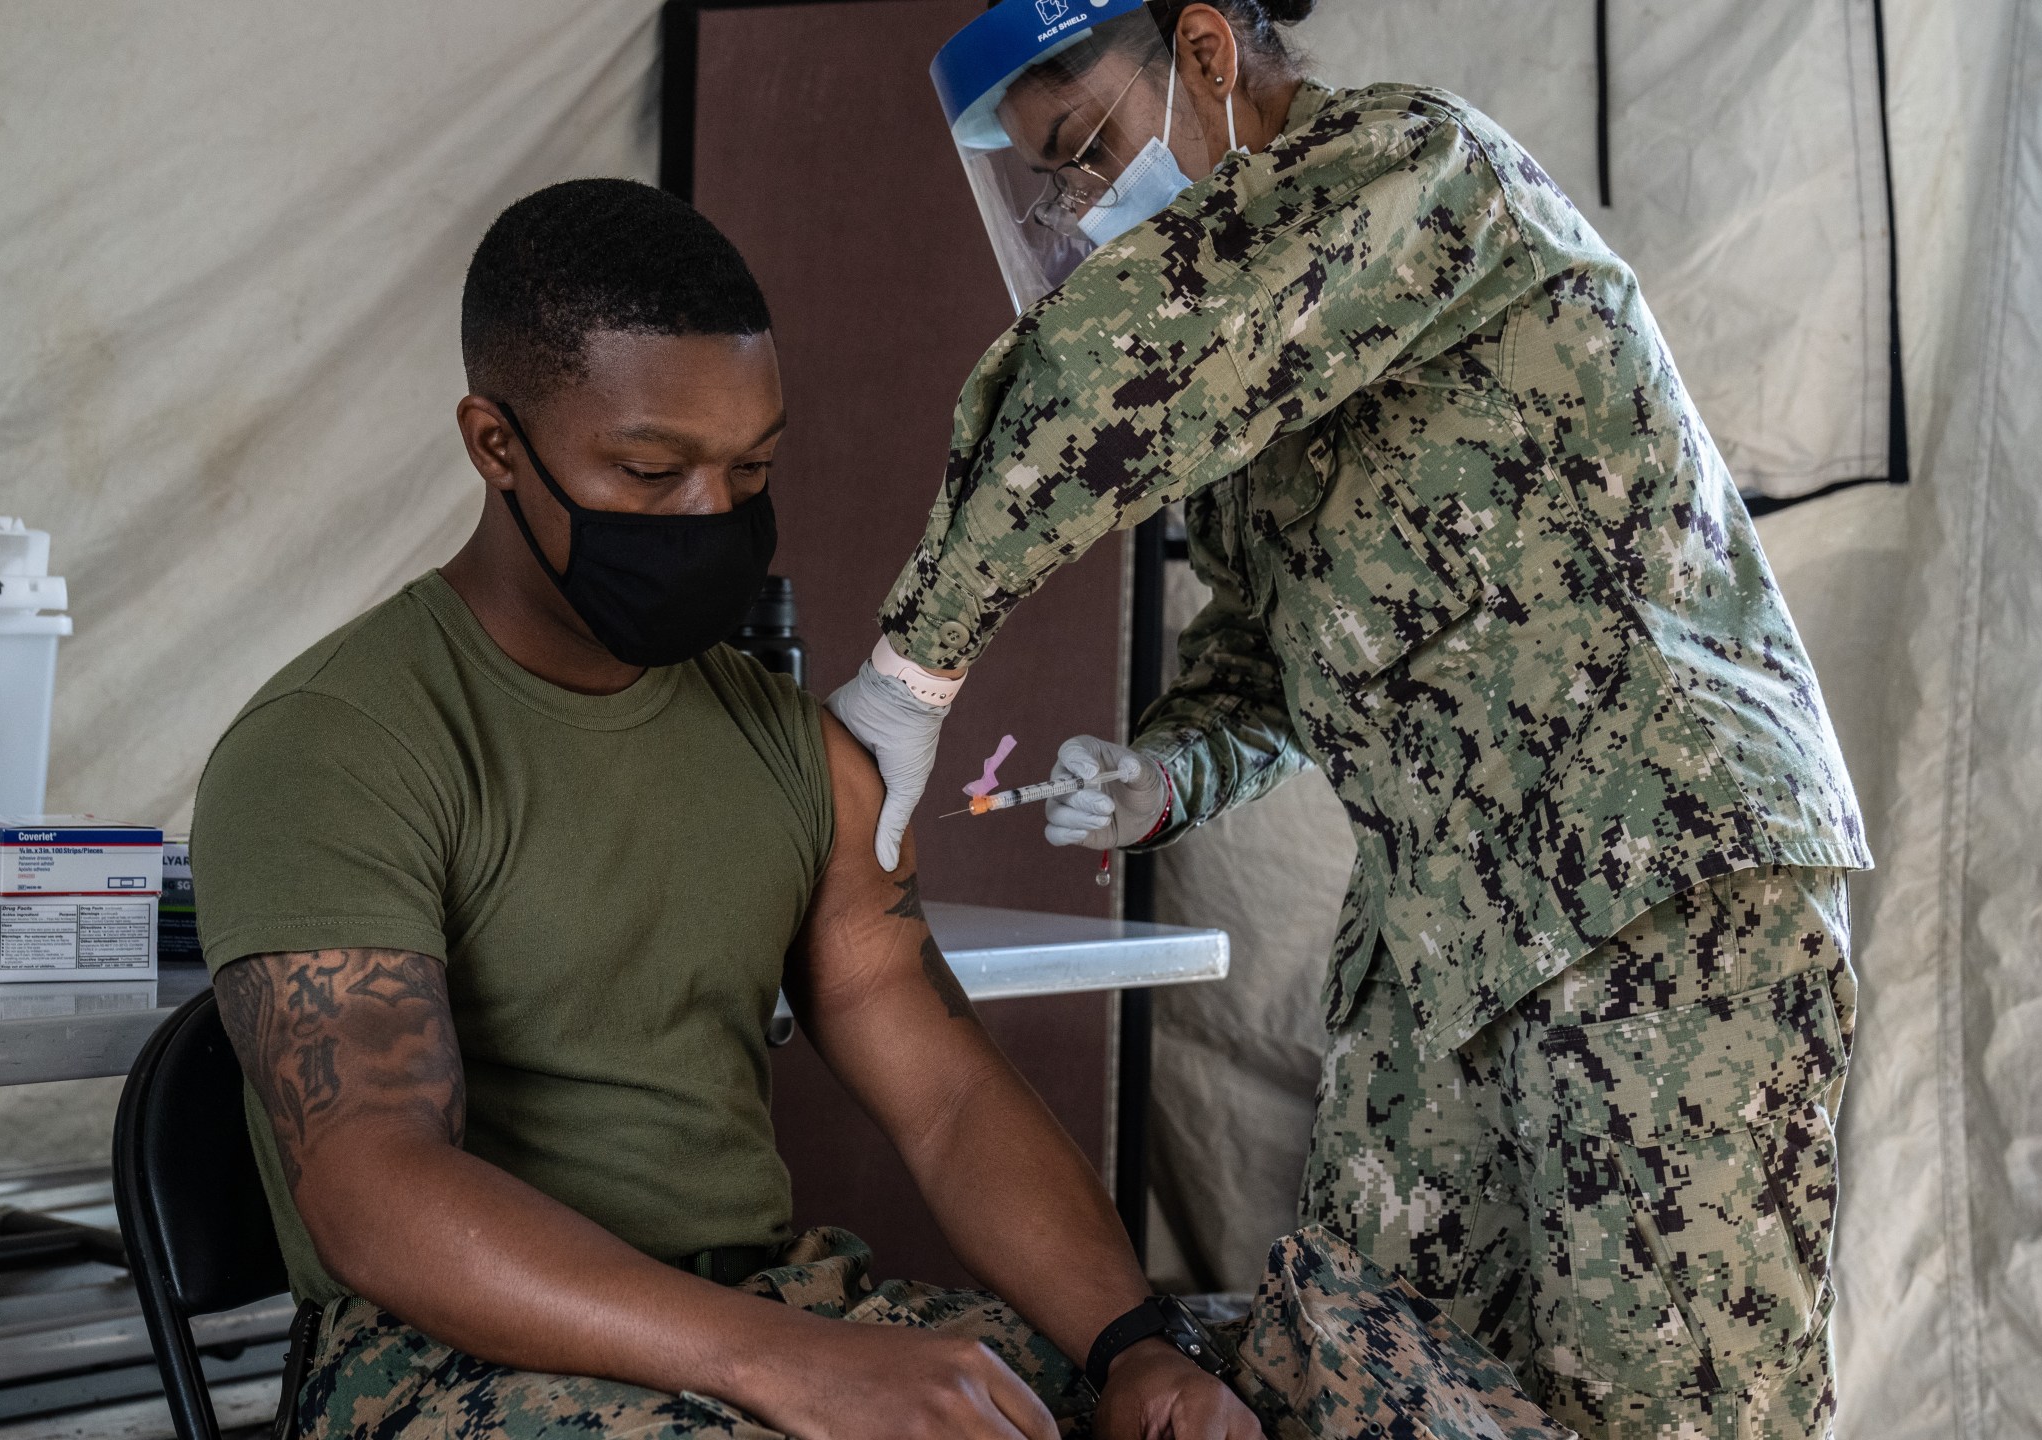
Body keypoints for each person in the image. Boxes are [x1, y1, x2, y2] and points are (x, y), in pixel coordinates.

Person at [191, 179, 1565, 1440]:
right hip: (444, 1358)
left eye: (750, 469)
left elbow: (948, 1100)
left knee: (1338, 1394)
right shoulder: (338, 742)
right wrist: (780, 1363)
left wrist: (1135, 1347)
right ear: (497, 444)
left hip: (775, 1301)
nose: (711, 512)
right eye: (651, 473)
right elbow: (374, 1189)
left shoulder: (785, 747)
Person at [822, 3, 1871, 1438]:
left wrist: (911, 669)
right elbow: (1274, 648)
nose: (1076, 210)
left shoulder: (1408, 172)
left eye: (1085, 151)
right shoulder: (1255, 343)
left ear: (1201, 50)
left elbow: (1112, 370)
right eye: (1047, 182)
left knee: (1666, 1410)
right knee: (1363, 1376)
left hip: (1651, 888)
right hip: (1446, 953)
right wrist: (1166, 770)